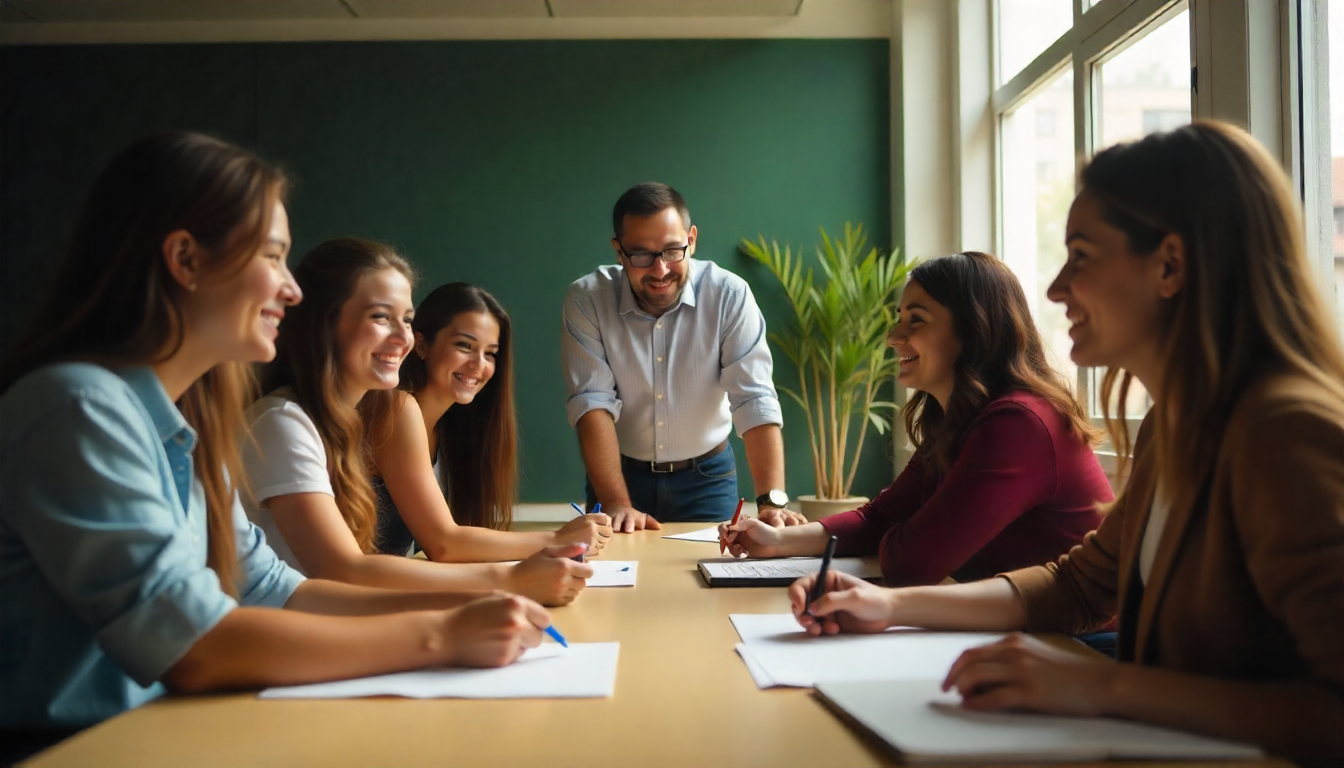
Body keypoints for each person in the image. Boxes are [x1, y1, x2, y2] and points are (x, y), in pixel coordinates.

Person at [787, 122, 1344, 766]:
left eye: (1081, 255)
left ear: (1170, 265)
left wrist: (1105, 686)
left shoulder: (1287, 434)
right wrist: (888, 607)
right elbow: (1079, 584)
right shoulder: (1178, 424)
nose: (1055, 288)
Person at [0, 134, 550, 748]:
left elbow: (273, 590)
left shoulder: (187, 421)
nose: (292, 290)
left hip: (165, 734)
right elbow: (195, 645)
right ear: (185, 260)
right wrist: (442, 636)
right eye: (272, 257)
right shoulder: (77, 407)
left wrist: (461, 614)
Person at [722, 251, 1111, 585]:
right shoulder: (959, 418)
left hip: (1082, 646)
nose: (894, 336)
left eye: (916, 320)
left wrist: (903, 532)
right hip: (1025, 633)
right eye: (899, 317)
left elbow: (913, 562)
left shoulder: (1018, 424)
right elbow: (879, 519)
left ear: (974, 331)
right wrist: (778, 541)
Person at [241, 238, 591, 607]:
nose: (401, 338)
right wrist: (510, 578)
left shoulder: (342, 426)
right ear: (323, 324)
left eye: (406, 320)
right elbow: (345, 571)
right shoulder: (283, 422)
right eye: (380, 317)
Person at [561, 182, 804, 532]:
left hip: (708, 478)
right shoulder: (587, 299)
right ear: (618, 250)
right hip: (619, 477)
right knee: (612, 581)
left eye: (673, 250)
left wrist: (771, 501)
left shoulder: (729, 295)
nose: (659, 270)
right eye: (641, 254)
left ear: (691, 239)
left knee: (715, 579)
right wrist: (616, 502)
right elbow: (591, 404)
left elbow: (753, 398)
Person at [367, 282, 612, 563]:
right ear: (421, 344)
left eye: (490, 353)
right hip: (343, 597)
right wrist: (558, 539)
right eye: (464, 346)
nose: (478, 365)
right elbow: (443, 544)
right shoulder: (396, 409)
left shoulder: (450, 428)